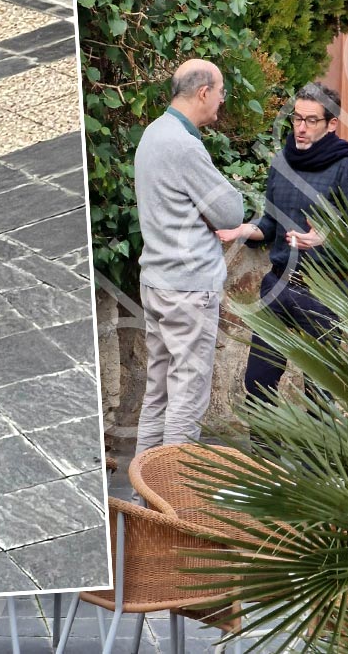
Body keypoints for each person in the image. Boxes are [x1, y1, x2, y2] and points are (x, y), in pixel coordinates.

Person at [217, 82, 348, 401]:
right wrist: (245, 231)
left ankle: (321, 451)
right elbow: (271, 224)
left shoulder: (347, 166)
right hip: (277, 285)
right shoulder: (281, 163)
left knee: (320, 390)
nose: (300, 128)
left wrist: (324, 236)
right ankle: (263, 453)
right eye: (296, 119)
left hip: (323, 292)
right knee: (258, 383)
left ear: (331, 124)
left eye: (310, 121)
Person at [132, 59, 246, 454]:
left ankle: (146, 506)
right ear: (203, 92)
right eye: (221, 93)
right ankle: (173, 504)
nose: (221, 101)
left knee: (158, 394)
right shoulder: (183, 145)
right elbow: (231, 212)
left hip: (158, 282)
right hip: (188, 288)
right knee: (187, 399)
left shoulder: (153, 132)